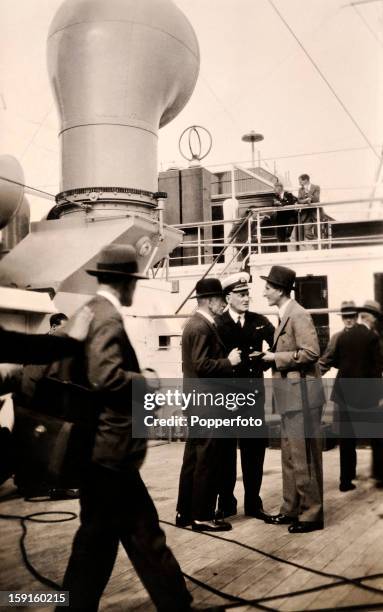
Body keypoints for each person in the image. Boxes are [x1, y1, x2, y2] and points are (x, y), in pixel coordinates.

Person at [57, 244, 192, 612]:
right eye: (134, 281)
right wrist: (147, 380)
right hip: (111, 455)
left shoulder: (87, 311)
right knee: (137, 540)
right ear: (125, 282)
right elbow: (105, 377)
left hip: (99, 454)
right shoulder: (109, 318)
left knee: (105, 546)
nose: (136, 288)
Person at [261, 265, 325, 533]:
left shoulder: (298, 315)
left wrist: (275, 358)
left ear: (279, 290)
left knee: (304, 456)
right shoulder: (285, 314)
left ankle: (311, 514)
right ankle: (290, 509)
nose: (264, 293)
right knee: (289, 454)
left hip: (302, 397)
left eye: (267, 288)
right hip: (290, 397)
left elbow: (312, 352)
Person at [176, 277, 241, 532]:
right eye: (221, 299)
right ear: (211, 300)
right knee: (206, 460)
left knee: (192, 458)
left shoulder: (194, 324)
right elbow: (202, 365)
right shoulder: (202, 326)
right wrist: (229, 362)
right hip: (206, 405)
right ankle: (202, 515)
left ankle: (185, 512)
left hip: (196, 402)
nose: (224, 303)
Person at [215, 272, 274, 520]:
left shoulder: (259, 321)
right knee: (225, 452)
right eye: (240, 294)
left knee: (253, 451)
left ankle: (253, 502)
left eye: (247, 293)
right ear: (228, 297)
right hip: (227, 399)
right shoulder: (217, 324)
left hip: (252, 397)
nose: (246, 298)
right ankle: (226, 502)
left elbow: (277, 345)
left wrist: (264, 362)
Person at [358, 300, 383, 487]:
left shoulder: (349, 334)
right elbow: (376, 369)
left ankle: (377, 473)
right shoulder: (373, 337)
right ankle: (380, 474)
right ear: (371, 317)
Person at [271, 182, 298, 250]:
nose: (273, 190)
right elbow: (272, 204)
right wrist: (276, 203)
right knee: (281, 237)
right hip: (280, 220)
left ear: (279, 188)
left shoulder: (289, 194)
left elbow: (291, 202)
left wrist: (281, 204)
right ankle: (283, 252)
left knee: (288, 235)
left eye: (275, 188)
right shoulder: (275, 196)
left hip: (289, 218)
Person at [297, 173, 322, 247]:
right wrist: (306, 200)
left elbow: (316, 199)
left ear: (306, 180)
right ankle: (317, 243)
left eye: (300, 181)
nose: (299, 183)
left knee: (318, 232)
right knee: (307, 233)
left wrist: (308, 193)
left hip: (315, 212)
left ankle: (318, 247)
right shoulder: (300, 190)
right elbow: (299, 200)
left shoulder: (316, 187)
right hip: (306, 213)